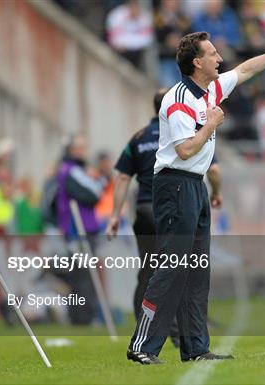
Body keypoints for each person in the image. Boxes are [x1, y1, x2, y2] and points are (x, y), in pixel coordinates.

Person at [125, 31, 265, 365]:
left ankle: (195, 348)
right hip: (175, 184)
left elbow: (246, 70)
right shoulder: (177, 99)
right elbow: (184, 150)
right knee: (171, 267)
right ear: (197, 63)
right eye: (212, 54)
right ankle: (142, 345)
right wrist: (210, 124)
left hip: (195, 186)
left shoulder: (211, 88)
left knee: (197, 270)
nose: (219, 58)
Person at [105, 88, 222, 346]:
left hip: (145, 211)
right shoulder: (187, 128)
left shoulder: (139, 138)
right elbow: (212, 168)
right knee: (181, 267)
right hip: (173, 206)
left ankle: (144, 326)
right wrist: (217, 192)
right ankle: (178, 331)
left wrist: (115, 214)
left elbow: (123, 177)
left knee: (148, 272)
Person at [55, 135, 107, 324]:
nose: (84, 151)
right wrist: (101, 179)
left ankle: (79, 316)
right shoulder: (71, 170)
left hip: (78, 229)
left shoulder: (70, 170)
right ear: (71, 150)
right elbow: (93, 194)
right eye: (80, 148)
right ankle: (84, 317)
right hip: (79, 230)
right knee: (84, 275)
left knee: (80, 274)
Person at [106, 0, 154, 69]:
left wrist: (129, 45)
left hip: (136, 51)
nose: (134, 10)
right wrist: (124, 44)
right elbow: (112, 38)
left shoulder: (145, 17)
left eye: (136, 7)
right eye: (132, 6)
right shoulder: (117, 15)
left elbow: (147, 39)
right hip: (119, 50)